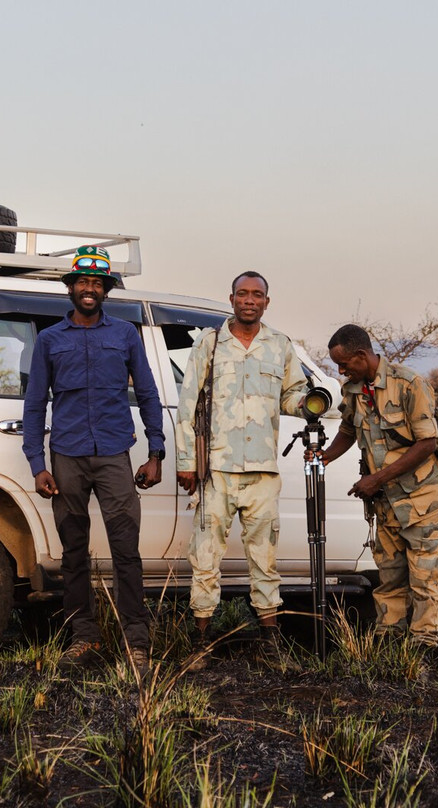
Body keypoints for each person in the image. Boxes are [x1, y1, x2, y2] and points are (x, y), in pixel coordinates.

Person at [22, 245, 166, 677]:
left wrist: (155, 452)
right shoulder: (49, 340)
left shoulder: (124, 335)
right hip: (65, 457)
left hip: (114, 457)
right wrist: (37, 464)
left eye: (97, 284)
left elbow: (148, 394)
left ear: (106, 290)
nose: (90, 289)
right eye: (83, 282)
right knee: (73, 553)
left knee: (126, 551)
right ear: (71, 288)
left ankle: (136, 643)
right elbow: (34, 406)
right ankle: (83, 637)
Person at [175, 271, 307, 668]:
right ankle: (200, 642)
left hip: (263, 473)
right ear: (231, 299)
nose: (250, 300)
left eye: (258, 295)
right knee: (205, 557)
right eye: (243, 294)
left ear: (267, 301)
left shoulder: (280, 345)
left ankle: (270, 642)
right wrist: (186, 462)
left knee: (265, 560)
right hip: (216, 469)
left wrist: (315, 402)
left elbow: (293, 396)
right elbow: (187, 403)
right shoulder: (210, 343)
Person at [316, 324, 438, 647]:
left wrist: (375, 479)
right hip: (387, 504)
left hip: (423, 501)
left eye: (345, 363)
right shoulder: (352, 390)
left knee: (425, 579)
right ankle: (388, 642)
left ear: (362, 356)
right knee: (389, 577)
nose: (340, 370)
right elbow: (349, 432)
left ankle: (423, 646)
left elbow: (427, 443)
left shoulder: (409, 385)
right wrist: (324, 458)